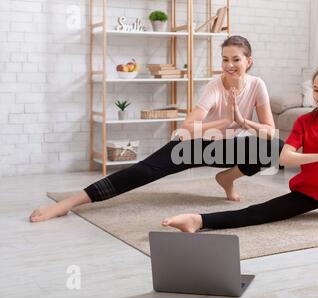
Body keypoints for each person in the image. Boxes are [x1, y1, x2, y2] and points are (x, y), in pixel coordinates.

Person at [29, 35, 283, 223]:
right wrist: (226, 120)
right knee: (143, 171)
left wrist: (242, 120)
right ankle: (69, 203)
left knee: (273, 147)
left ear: (248, 61)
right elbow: (187, 128)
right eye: (225, 59)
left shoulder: (257, 85)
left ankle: (227, 178)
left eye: (235, 59)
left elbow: (270, 131)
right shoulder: (215, 88)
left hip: (225, 148)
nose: (229, 65)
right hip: (193, 146)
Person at [162, 64, 318, 233]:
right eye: (316, 90)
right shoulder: (305, 122)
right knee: (258, 213)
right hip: (309, 195)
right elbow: (286, 158)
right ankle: (198, 220)